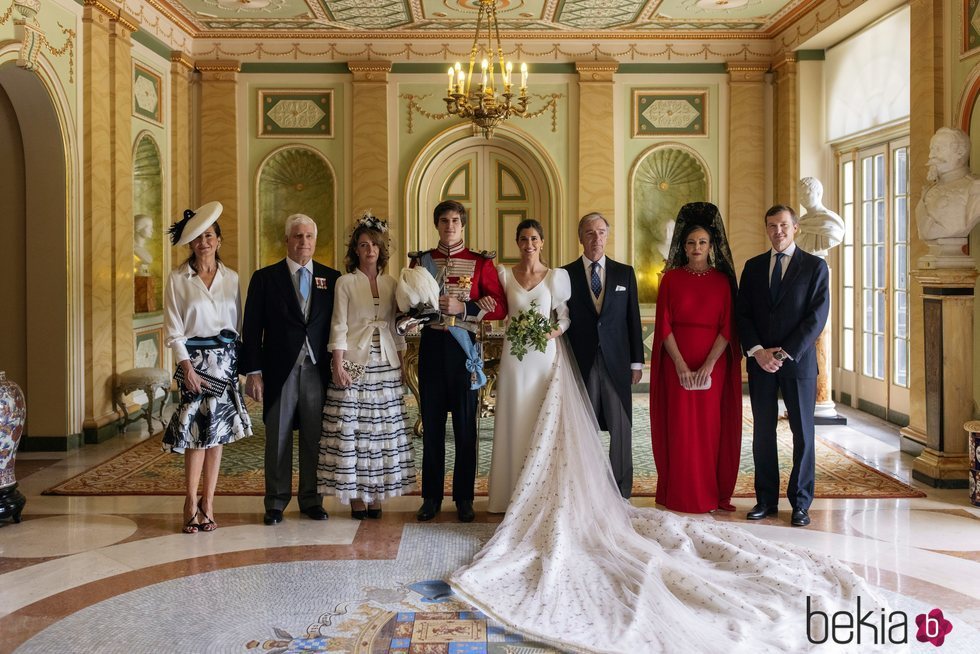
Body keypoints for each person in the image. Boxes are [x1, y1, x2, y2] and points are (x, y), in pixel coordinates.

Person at [450, 290, 880, 653]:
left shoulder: (590, 275)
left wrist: (635, 357)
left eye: (534, 238)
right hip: (547, 358)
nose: (529, 244)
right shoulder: (540, 275)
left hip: (598, 359)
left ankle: (618, 494)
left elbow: (625, 318)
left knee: (623, 434)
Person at [241, 214, 341, 526]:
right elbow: (252, 328)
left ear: (315, 240)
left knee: (315, 437)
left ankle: (311, 500)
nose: (304, 242)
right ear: (287, 241)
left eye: (309, 236)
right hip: (279, 370)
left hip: (316, 371)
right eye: (298, 236)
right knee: (278, 436)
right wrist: (253, 373)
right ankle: (275, 502)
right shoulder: (265, 278)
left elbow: (339, 326)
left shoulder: (332, 278)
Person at [411, 200, 507, 523]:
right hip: (431, 348)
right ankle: (431, 498)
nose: (449, 226)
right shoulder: (421, 261)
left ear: (463, 225)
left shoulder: (479, 262)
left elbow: (499, 306)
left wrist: (463, 309)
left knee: (466, 429)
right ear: (436, 224)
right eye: (444, 221)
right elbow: (409, 301)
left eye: (455, 220)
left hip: (464, 352)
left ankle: (464, 498)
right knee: (433, 427)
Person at [735, 204, 830, 528]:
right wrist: (759, 352)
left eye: (784, 225)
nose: (778, 231)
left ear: (795, 228)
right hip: (761, 364)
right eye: (772, 226)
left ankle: (801, 504)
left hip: (798, 364)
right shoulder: (753, 267)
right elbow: (742, 314)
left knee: (802, 433)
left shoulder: (815, 267)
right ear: (766, 229)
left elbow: (816, 318)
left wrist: (784, 353)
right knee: (762, 432)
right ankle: (765, 501)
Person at [162, 201, 252, 534]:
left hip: (225, 362)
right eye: (199, 237)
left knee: (217, 435)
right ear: (191, 244)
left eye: (210, 235)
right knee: (196, 433)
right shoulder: (178, 278)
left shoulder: (232, 277)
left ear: (218, 240)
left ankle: (209, 503)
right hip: (194, 363)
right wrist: (185, 366)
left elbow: (237, 322)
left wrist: (238, 364)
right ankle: (189, 501)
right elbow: (173, 328)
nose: (205, 242)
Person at [318, 213, 416, 519]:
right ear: (356, 251)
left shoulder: (391, 283)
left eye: (374, 244)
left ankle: (376, 494)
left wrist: (400, 362)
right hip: (355, 360)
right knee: (356, 431)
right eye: (363, 245)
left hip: (385, 361)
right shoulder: (346, 283)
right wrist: (338, 363)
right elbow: (339, 325)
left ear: (381, 249)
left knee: (381, 431)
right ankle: (357, 496)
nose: (369, 249)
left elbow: (395, 325)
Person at [649, 202, 741, 514]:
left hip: (712, 365)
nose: (696, 247)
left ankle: (708, 494)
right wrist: (680, 366)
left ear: (711, 246)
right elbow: (663, 326)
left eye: (702, 242)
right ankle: (680, 494)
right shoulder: (671, 279)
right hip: (678, 364)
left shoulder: (723, 282)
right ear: (683, 246)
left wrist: (708, 365)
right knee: (680, 429)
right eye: (690, 242)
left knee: (708, 430)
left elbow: (728, 328)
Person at [486, 219, 570, 513]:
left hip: (543, 355)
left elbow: (564, 318)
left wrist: (552, 332)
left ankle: (541, 492)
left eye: (534, 238)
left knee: (540, 417)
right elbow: (497, 310)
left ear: (542, 242)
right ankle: (508, 493)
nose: (529, 244)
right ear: (517, 243)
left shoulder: (555, 277)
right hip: (515, 358)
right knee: (514, 416)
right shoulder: (505, 275)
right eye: (524, 239)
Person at [561, 212, 643, 499]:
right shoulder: (565, 274)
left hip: (617, 362)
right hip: (580, 361)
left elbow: (633, 319)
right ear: (580, 237)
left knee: (621, 428)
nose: (596, 239)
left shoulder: (624, 273)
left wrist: (636, 361)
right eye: (589, 233)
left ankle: (621, 491)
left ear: (607, 236)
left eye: (601, 233)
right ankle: (587, 488)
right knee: (584, 426)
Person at [915, 126, 980, 242]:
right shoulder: (927, 191)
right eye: (932, 149)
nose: (931, 156)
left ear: (960, 152)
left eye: (938, 149)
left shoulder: (975, 188)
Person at [796, 177, 845, 256]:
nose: (802, 198)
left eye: (806, 194)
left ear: (818, 193)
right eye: (800, 194)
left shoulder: (831, 221)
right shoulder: (803, 221)